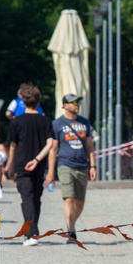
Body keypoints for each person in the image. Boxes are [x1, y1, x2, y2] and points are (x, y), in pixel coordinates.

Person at [5, 85, 55, 247]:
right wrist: (38, 159)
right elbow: (50, 144)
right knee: (35, 198)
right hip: (39, 165)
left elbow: (12, 146)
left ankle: (31, 233)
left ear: (23, 101)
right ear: (38, 101)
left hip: (21, 164)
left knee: (27, 198)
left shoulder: (16, 122)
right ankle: (33, 231)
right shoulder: (46, 121)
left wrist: (10, 166)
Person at [48, 94, 97, 242]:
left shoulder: (84, 123)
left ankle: (71, 224)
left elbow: (89, 146)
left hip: (82, 165)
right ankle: (71, 231)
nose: (77, 104)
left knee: (80, 201)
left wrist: (93, 166)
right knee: (69, 198)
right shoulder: (57, 124)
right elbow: (53, 149)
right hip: (65, 164)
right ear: (65, 105)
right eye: (74, 102)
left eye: (79, 101)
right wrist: (50, 172)